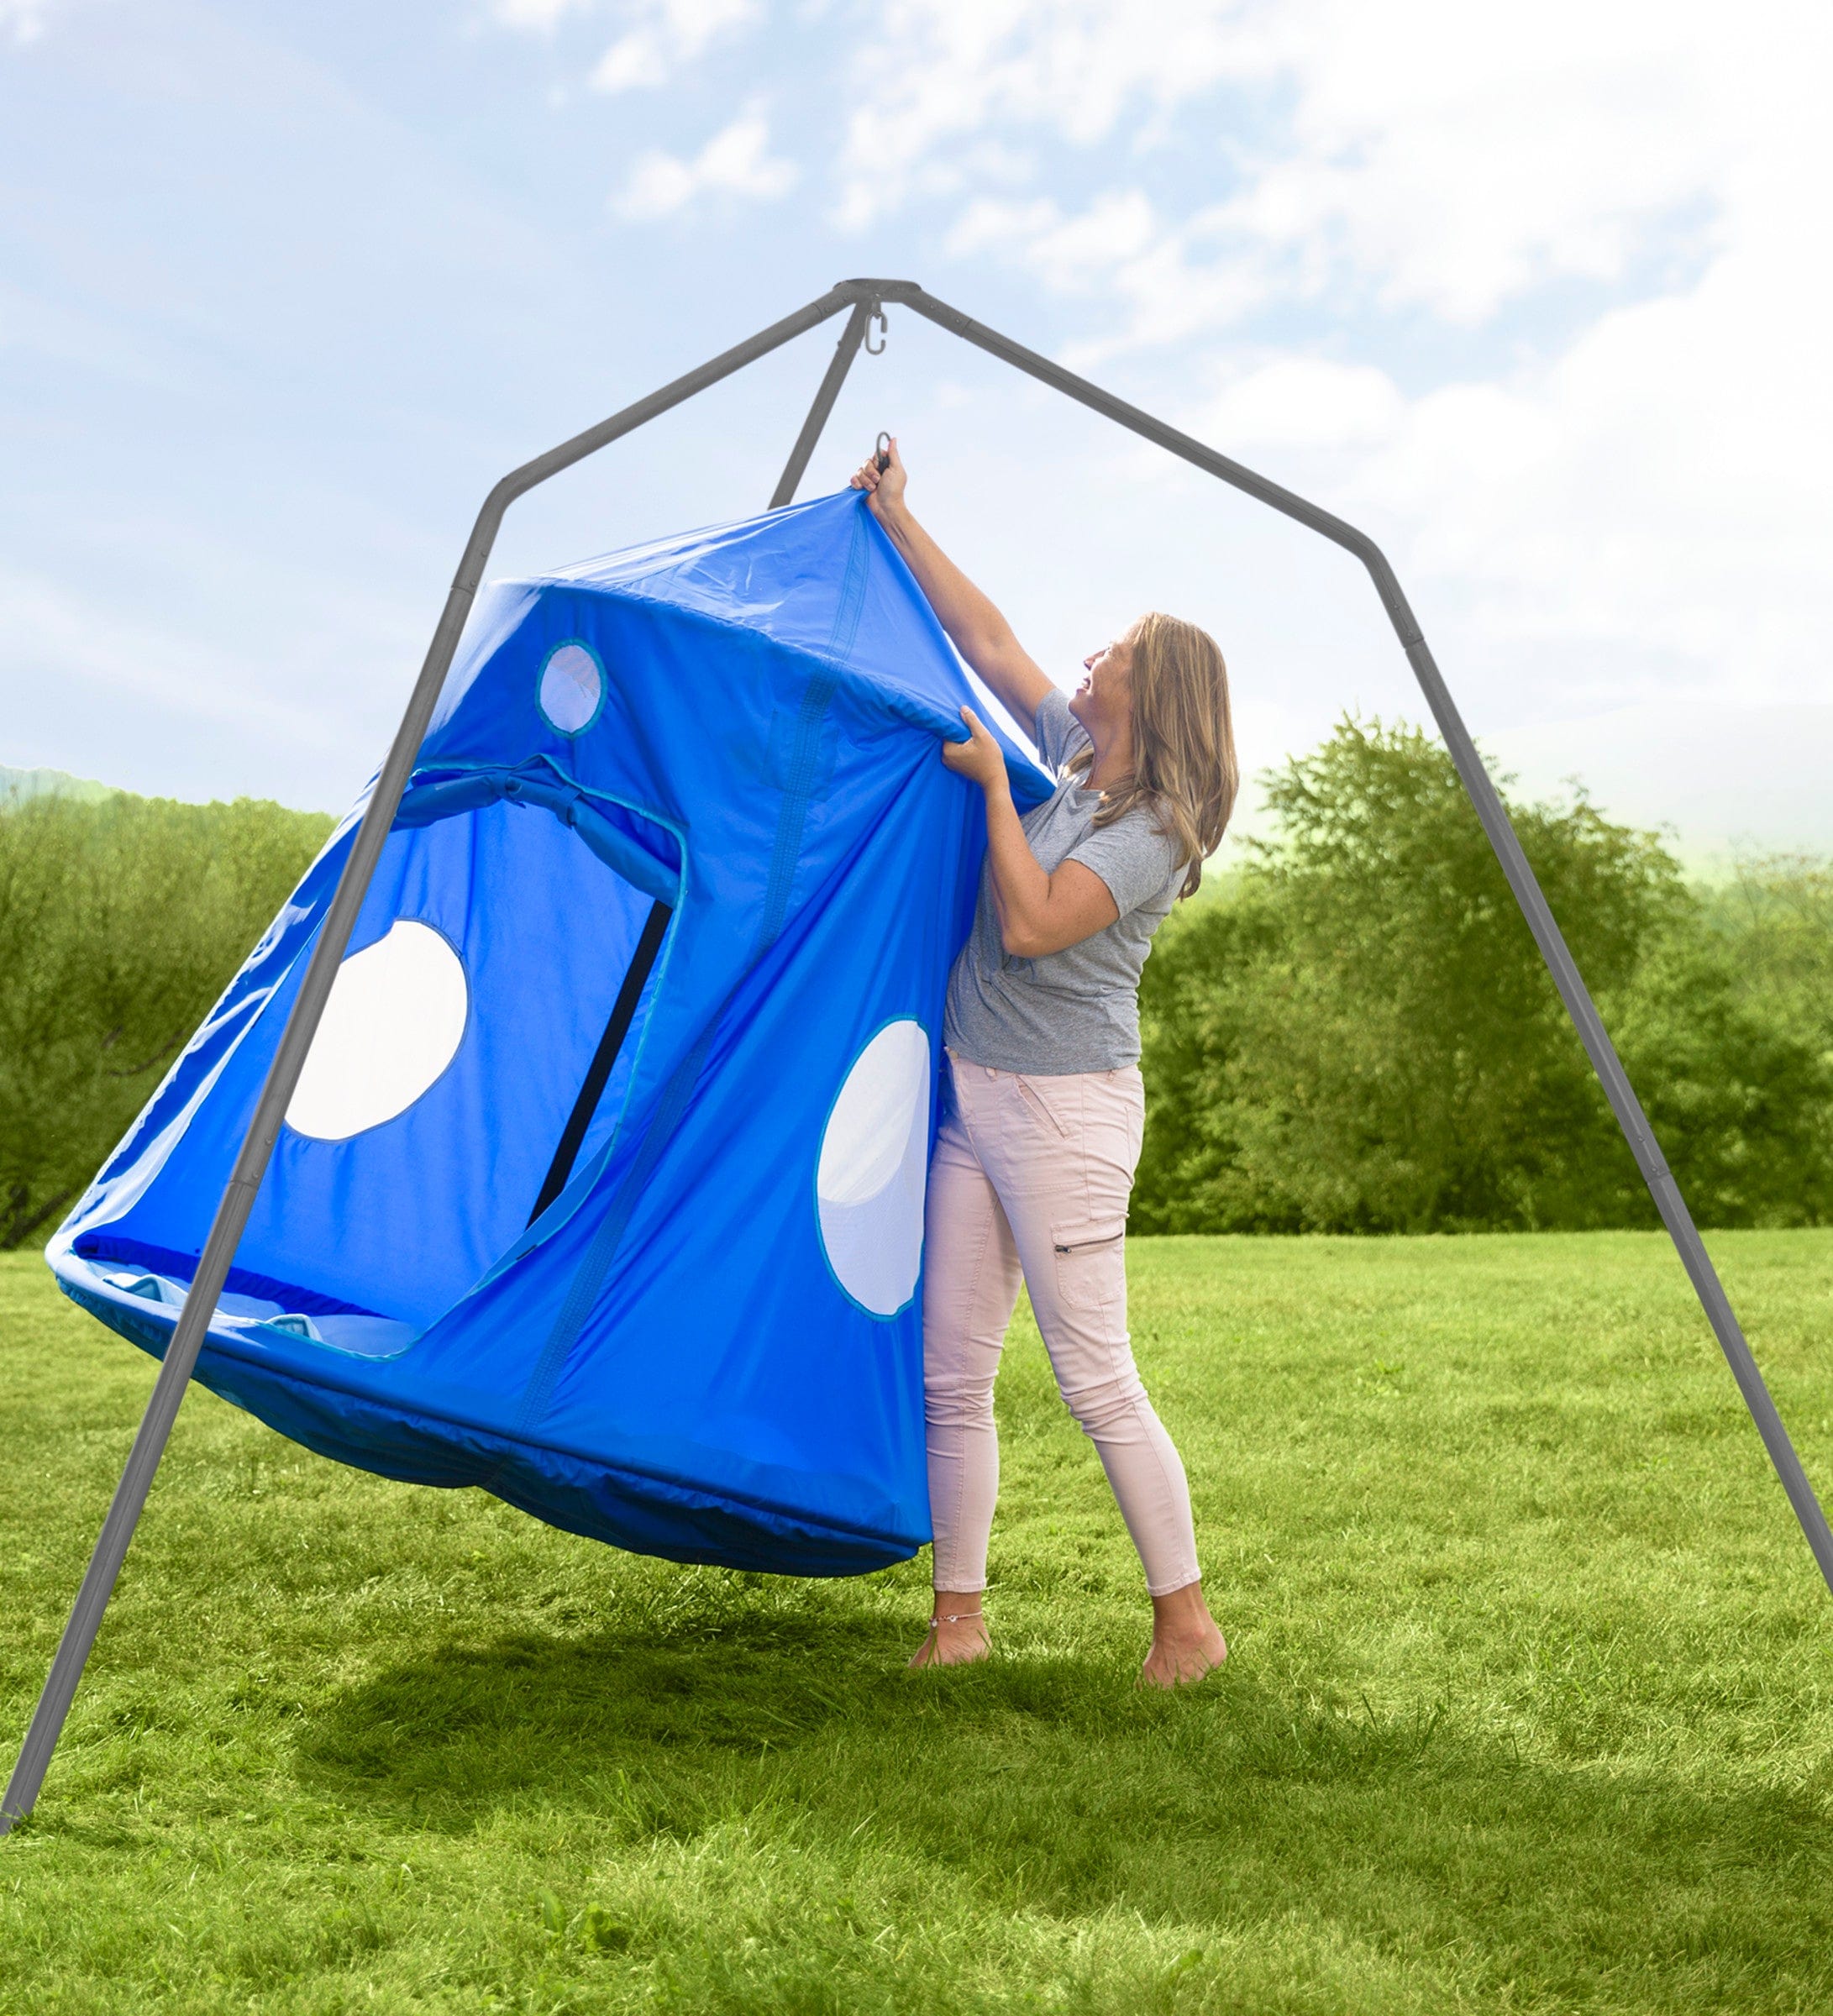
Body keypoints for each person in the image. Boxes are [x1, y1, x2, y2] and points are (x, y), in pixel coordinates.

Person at [850, 439, 1237, 1688]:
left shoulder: (1154, 830)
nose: (1089, 658)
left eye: (1113, 648)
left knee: (1093, 1377)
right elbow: (995, 640)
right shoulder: (1076, 757)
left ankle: (1185, 1624)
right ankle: (956, 1619)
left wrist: (980, 796)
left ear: (1154, 683)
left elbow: (1027, 927)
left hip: (1063, 1115)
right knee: (948, 1372)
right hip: (973, 1092)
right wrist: (902, 522)